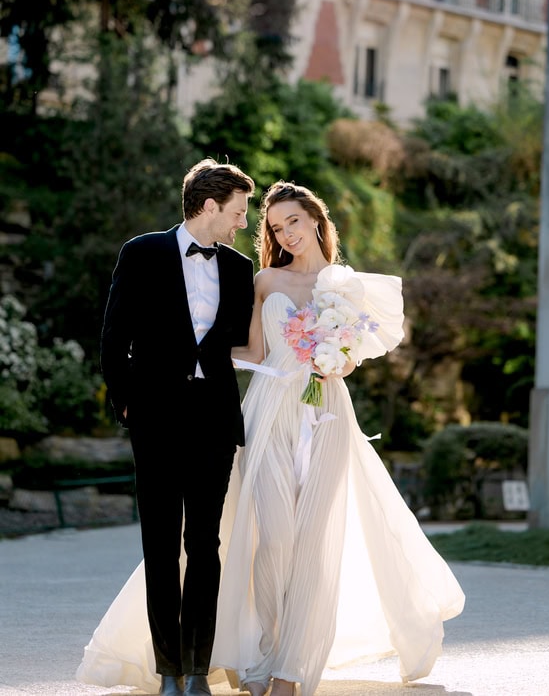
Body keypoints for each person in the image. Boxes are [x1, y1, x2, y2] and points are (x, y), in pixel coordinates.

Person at [77, 181, 465, 696]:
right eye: (270, 225)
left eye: (291, 223)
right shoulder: (234, 272)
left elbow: (344, 351)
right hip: (231, 415)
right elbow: (225, 347)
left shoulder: (315, 282)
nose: (276, 232)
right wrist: (132, 398)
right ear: (214, 207)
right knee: (222, 542)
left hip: (299, 415)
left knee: (274, 546)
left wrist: (334, 358)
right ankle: (210, 664)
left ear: (316, 220)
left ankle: (273, 669)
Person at [97, 158, 255, 696]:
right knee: (161, 545)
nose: (242, 223)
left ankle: (198, 670)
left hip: (214, 422)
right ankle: (167, 670)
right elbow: (112, 340)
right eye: (237, 212)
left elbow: (240, 344)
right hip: (155, 422)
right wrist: (128, 407)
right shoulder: (141, 253)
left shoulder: (238, 268)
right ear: (209, 206)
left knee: (205, 544)